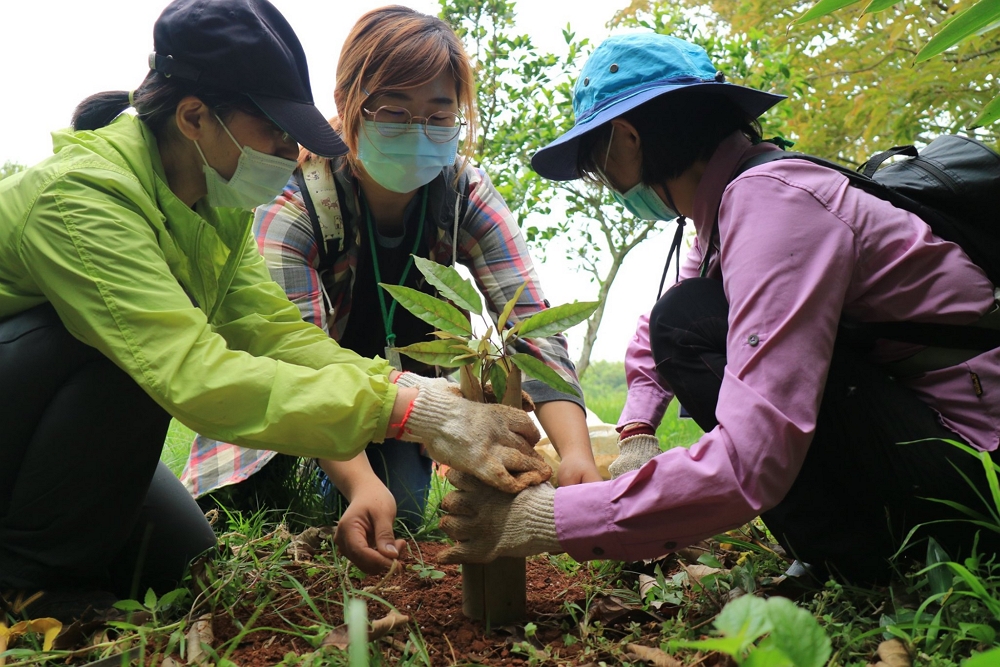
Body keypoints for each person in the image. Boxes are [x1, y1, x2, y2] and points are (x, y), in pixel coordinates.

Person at [0, 0, 548, 623]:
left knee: (182, 565)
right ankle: (27, 588)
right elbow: (191, 374)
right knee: (105, 348)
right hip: (36, 376)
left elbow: (275, 333)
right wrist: (411, 415)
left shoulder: (212, 206)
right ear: (194, 117)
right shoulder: (86, 201)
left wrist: (417, 396)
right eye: (275, 134)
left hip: (31, 419)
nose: (290, 155)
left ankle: (52, 552)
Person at [436, 32, 1000, 584]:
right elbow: (662, 330)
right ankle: (853, 552)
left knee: (685, 322)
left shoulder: (773, 204)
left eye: (596, 160)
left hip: (980, 480)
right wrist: (635, 432)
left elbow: (754, 453)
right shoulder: (731, 203)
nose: (604, 181)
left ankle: (867, 560)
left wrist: (554, 521)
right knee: (683, 318)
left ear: (628, 139)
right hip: (940, 444)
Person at [180, 5, 602, 574]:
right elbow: (292, 361)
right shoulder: (294, 205)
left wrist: (575, 456)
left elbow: (529, 323)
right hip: (293, 414)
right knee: (303, 512)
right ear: (352, 107)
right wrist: (358, 483)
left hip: (405, 408)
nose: (418, 133)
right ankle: (286, 495)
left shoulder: (462, 195)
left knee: (399, 508)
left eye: (438, 114)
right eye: (395, 112)